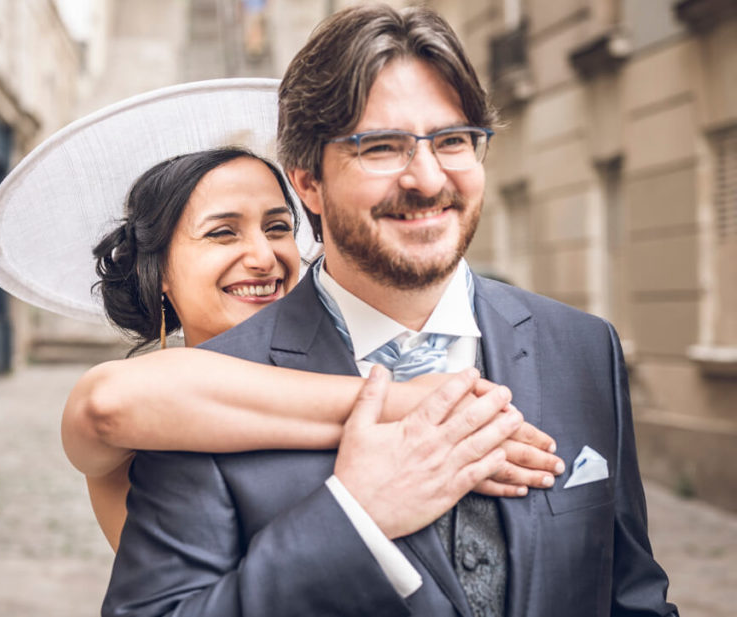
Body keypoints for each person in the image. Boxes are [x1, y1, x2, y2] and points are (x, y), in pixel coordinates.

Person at [101, 5, 678, 616]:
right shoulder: (201, 398)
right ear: (309, 182)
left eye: (453, 140)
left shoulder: (584, 348)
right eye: (381, 147)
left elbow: (633, 597)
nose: (427, 179)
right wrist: (354, 520)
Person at [61, 147, 562, 550]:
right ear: (160, 274)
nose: (263, 257)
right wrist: (414, 403)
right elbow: (105, 404)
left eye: (277, 227)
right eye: (222, 233)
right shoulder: (139, 419)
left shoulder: (350, 351)